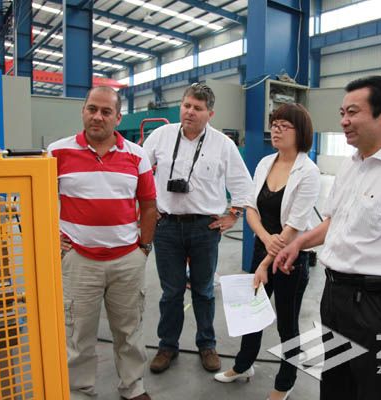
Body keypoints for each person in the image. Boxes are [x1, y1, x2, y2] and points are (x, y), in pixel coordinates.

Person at [274, 76, 381, 400]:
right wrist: (298, 244)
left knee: (375, 391)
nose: (343, 121)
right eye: (342, 113)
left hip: (377, 303)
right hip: (335, 296)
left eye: (352, 112)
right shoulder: (350, 165)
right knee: (335, 385)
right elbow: (334, 222)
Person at [47, 86, 157, 400]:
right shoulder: (57, 152)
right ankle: (80, 390)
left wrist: (143, 248)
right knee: (78, 333)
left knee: (129, 330)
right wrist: (53, 237)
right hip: (79, 260)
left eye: (106, 111)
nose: (98, 116)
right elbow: (39, 199)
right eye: (92, 109)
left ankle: (133, 386)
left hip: (127, 260)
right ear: (83, 111)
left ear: (118, 118)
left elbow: (149, 205)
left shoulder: (136, 155)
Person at [143, 83, 253, 374]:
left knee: (203, 291)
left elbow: (242, 183)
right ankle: (167, 346)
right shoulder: (161, 136)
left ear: (210, 114)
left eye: (198, 108)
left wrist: (233, 215)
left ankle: (207, 345)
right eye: (186, 105)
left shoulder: (223, 144)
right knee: (171, 292)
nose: (190, 112)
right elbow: (138, 172)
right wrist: (148, 208)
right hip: (166, 226)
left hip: (205, 228)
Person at [214, 103, 320, 400]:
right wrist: (264, 239)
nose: (276, 130)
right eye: (274, 124)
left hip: (289, 260)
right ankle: (243, 365)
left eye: (284, 125)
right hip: (263, 251)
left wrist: (267, 260)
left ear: (301, 132)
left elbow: (295, 225)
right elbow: (250, 207)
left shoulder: (308, 172)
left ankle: (284, 383)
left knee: (288, 324)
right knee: (252, 315)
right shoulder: (264, 163)